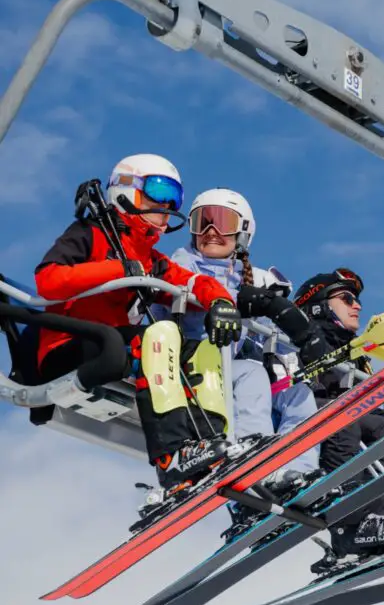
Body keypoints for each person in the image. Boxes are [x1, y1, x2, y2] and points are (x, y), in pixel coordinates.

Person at [34, 155, 242, 503]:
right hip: (70, 342)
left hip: (115, 345)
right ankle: (171, 455)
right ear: (127, 188)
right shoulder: (91, 234)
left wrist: (220, 302)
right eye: (158, 190)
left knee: (203, 352)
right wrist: (116, 270)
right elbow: (48, 281)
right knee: (159, 336)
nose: (166, 205)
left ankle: (209, 442)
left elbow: (190, 281)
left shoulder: (150, 258)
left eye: (173, 197)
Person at [168, 188, 325, 490]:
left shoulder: (247, 277)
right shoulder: (181, 266)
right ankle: (257, 460)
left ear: (242, 233)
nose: (210, 231)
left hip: (227, 369)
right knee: (251, 374)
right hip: (190, 365)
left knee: (297, 393)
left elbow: (268, 332)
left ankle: (296, 471)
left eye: (222, 222)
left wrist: (301, 350)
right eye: (202, 221)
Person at [293, 269, 384, 568]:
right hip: (309, 408)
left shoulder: (356, 352)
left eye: (357, 300)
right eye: (346, 298)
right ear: (319, 304)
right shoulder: (301, 336)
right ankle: (346, 522)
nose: (357, 306)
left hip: (353, 413)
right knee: (346, 423)